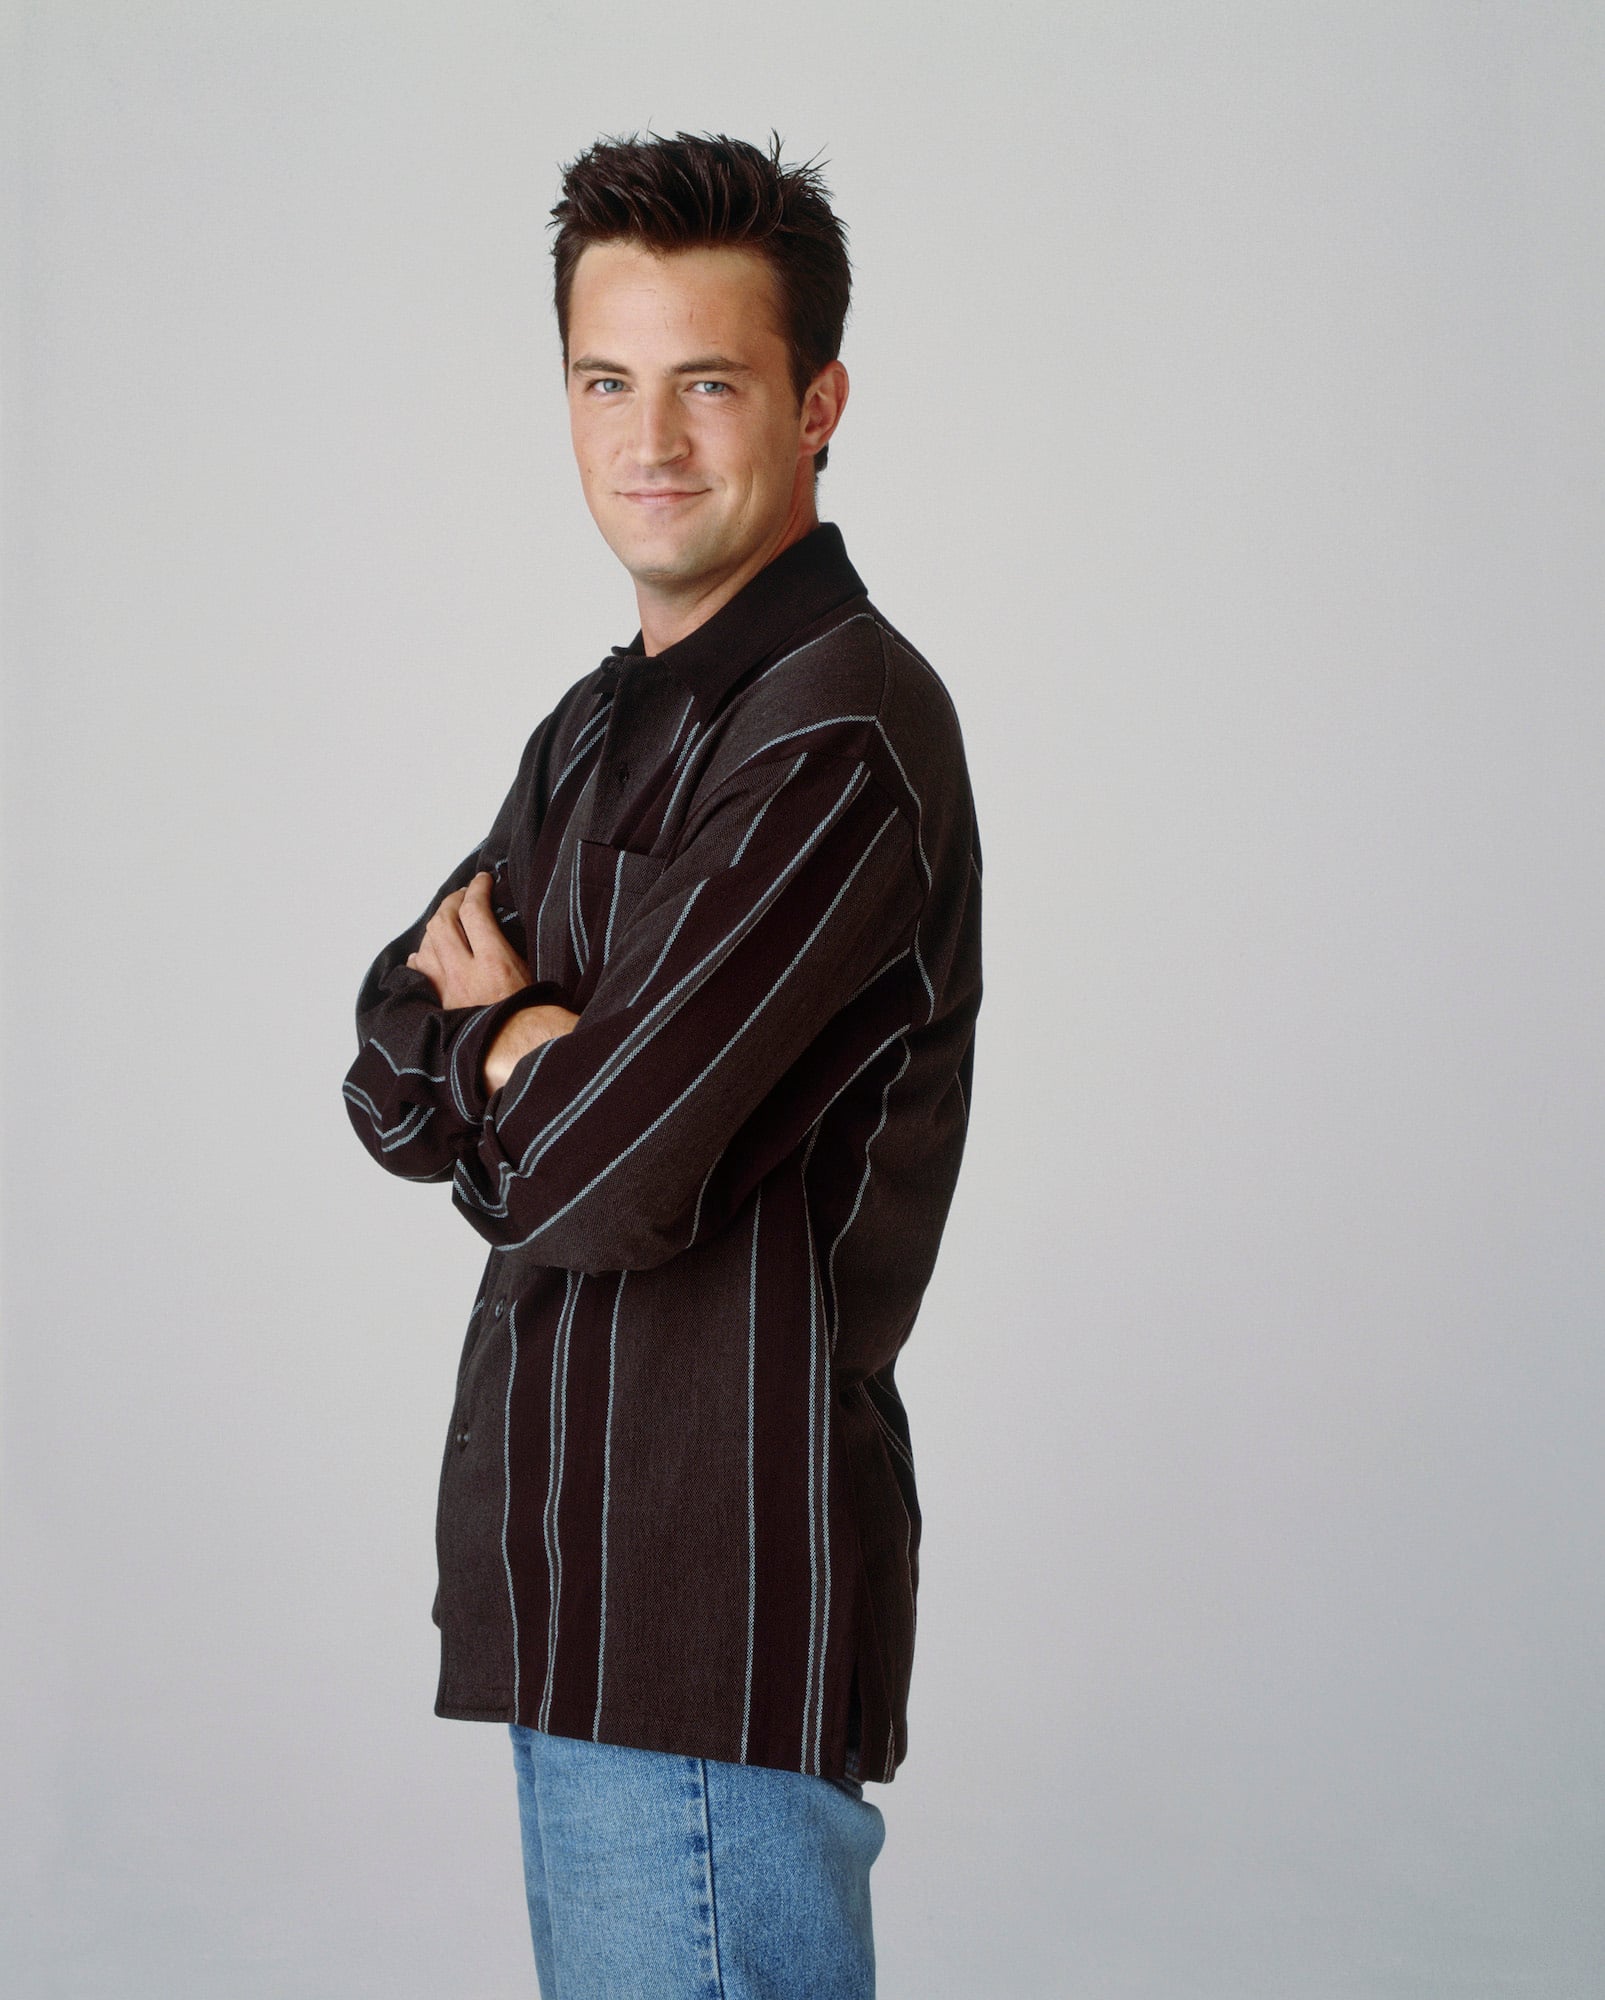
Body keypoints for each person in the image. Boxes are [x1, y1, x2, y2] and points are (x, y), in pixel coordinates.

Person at [341, 130, 983, 1999]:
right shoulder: (595, 723)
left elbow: (605, 1179)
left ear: (815, 403)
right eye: (605, 382)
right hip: (570, 1592)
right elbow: (387, 1062)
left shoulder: (839, 735)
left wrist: (514, 1037)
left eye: (708, 384)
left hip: (708, 1614)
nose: (651, 443)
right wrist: (524, 1051)